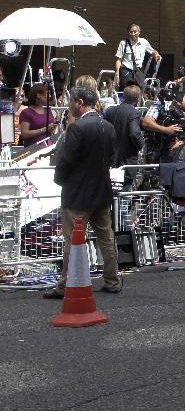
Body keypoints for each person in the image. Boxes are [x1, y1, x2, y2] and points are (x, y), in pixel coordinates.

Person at [44, 86, 119, 298]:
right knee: (106, 237)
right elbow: (113, 157)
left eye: (70, 102)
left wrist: (59, 180)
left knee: (73, 241)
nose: (69, 105)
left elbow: (66, 161)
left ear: (79, 102)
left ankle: (66, 285)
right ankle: (112, 280)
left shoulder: (77, 128)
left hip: (77, 194)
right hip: (101, 191)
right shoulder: (108, 127)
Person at [103, 85, 145, 190]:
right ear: (137, 99)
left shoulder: (110, 111)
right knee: (124, 199)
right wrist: (141, 145)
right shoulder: (134, 113)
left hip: (109, 160)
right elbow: (134, 133)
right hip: (125, 163)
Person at [114, 23, 161, 90]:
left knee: (142, 89)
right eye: (131, 32)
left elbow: (153, 51)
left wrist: (156, 54)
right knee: (127, 90)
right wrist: (117, 74)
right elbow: (118, 60)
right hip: (126, 70)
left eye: (135, 32)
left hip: (137, 70)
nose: (133, 34)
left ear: (139, 32)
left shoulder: (144, 42)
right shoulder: (123, 43)